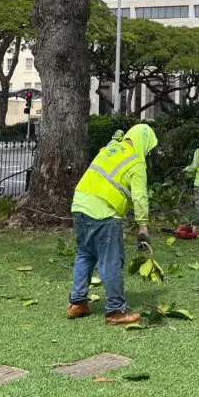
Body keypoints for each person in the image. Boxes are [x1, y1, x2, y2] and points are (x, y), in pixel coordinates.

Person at [67, 122, 157, 326]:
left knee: (85, 254)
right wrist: (143, 227)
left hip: (79, 204)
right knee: (111, 261)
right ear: (144, 143)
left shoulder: (110, 148)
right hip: (104, 212)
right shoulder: (136, 163)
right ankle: (116, 311)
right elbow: (140, 197)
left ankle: (77, 303)